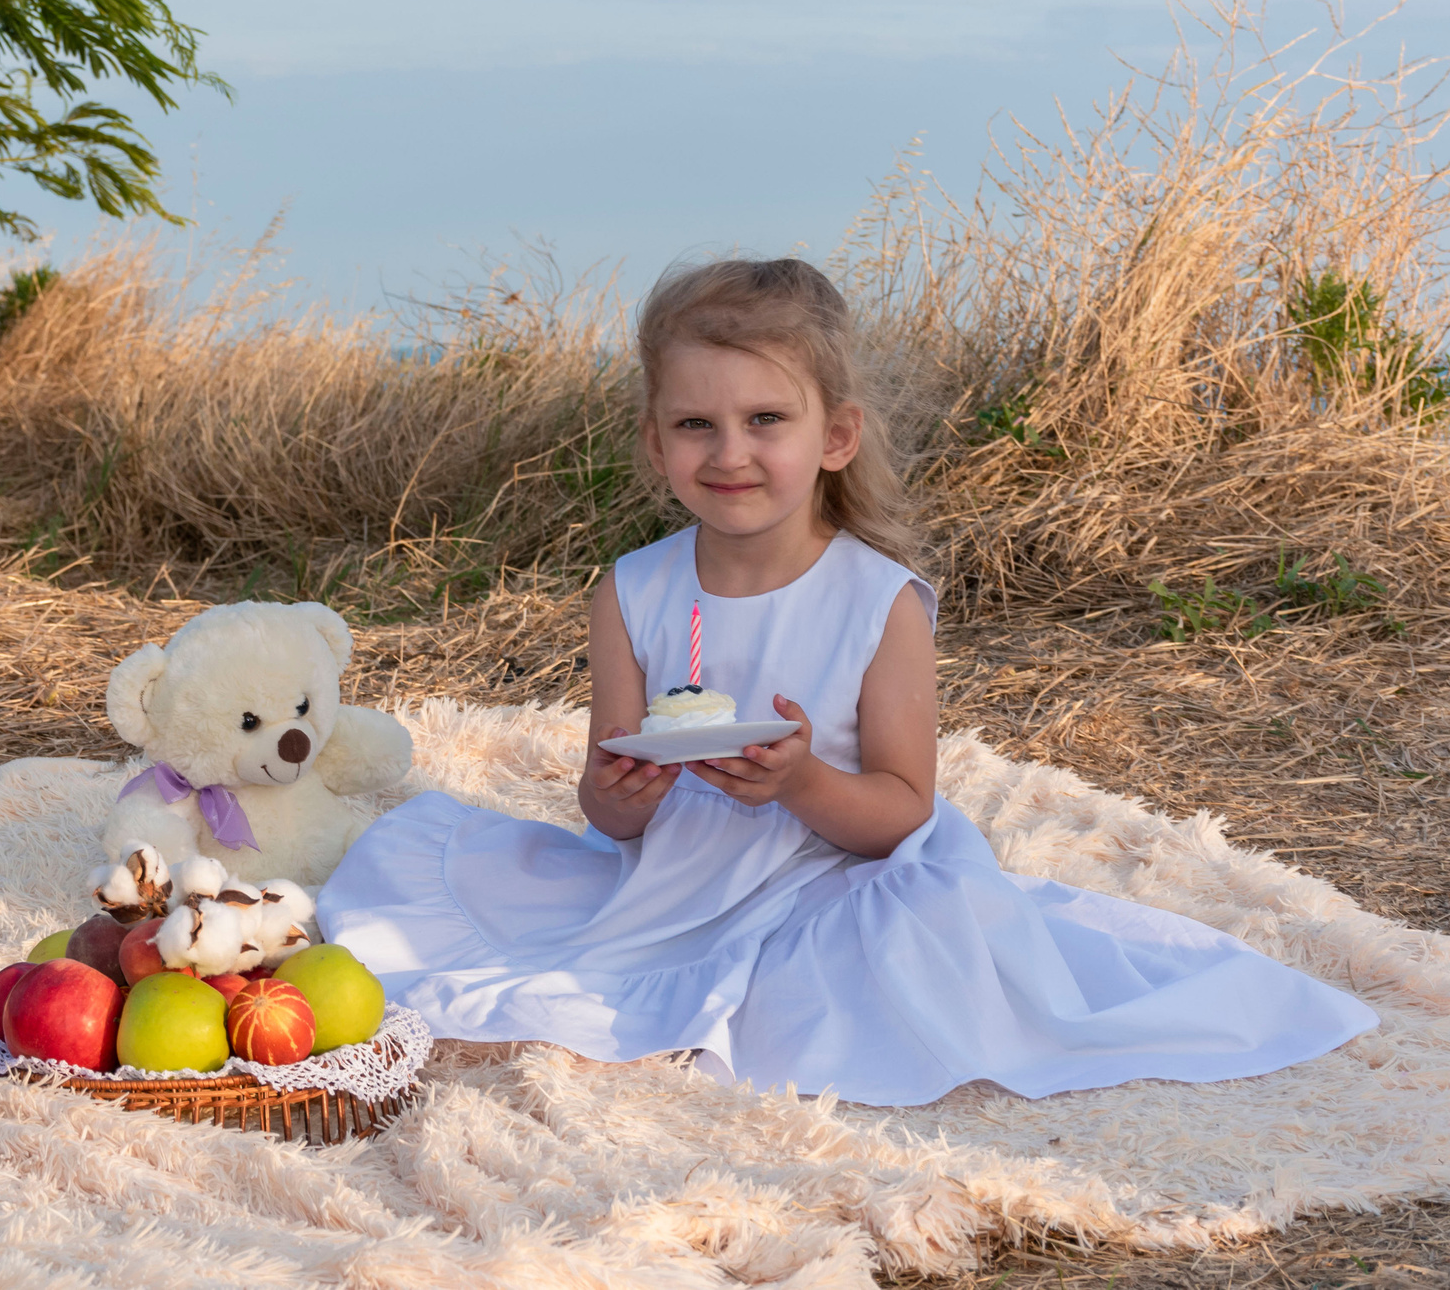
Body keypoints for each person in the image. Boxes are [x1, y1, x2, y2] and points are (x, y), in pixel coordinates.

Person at [319, 257, 1377, 1105]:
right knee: (462, 922)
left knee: (881, 975)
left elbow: (898, 815)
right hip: (675, 881)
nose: (728, 451)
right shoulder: (633, 591)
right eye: (695, 424)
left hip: (832, 873)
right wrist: (623, 794)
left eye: (764, 421)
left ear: (833, 437)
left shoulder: (878, 603)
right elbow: (606, 811)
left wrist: (796, 785)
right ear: (654, 443)